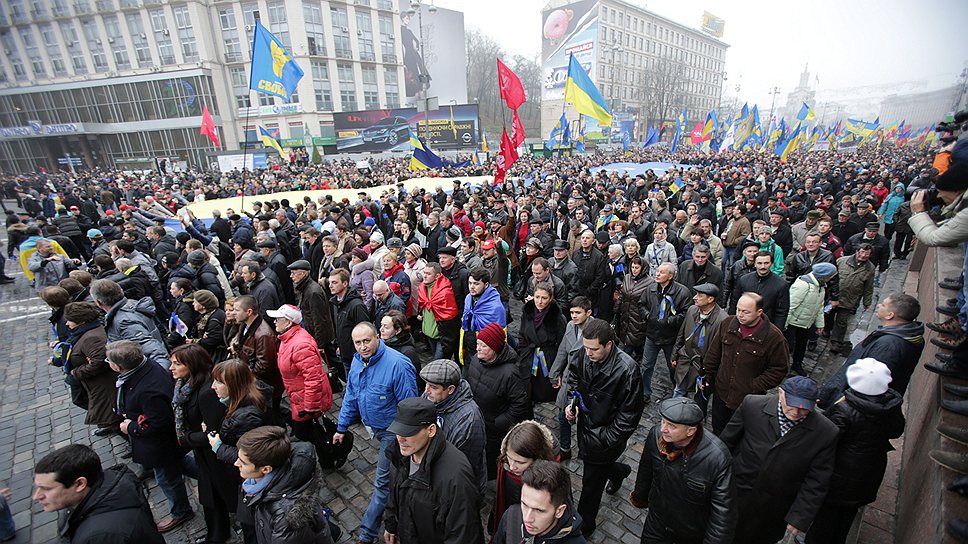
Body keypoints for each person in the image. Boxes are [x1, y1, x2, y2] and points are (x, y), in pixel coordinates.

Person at [720, 377, 839, 544]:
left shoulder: (826, 432)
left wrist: (799, 517)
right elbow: (726, 444)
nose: (796, 413)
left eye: (803, 409)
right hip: (736, 492)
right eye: (793, 405)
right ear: (781, 394)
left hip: (775, 508)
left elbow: (817, 480)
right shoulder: (752, 405)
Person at [334, 322, 417, 544]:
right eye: (358, 343)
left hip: (393, 433)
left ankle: (367, 534)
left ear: (378, 338)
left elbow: (408, 407)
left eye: (367, 341)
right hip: (376, 428)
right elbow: (352, 393)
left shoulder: (398, 365)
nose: (363, 347)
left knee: (382, 483)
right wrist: (341, 427)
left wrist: (404, 441)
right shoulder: (357, 360)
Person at [808, 359, 905, 544]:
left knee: (824, 522)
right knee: (845, 519)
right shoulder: (890, 404)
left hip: (840, 476)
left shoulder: (845, 410)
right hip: (870, 471)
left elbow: (825, 438)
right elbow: (896, 430)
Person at [565, 319, 644, 538]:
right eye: (586, 347)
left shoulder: (628, 370)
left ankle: (584, 527)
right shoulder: (583, 352)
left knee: (591, 486)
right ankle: (619, 471)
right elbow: (573, 379)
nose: (588, 352)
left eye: (593, 349)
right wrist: (572, 405)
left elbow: (629, 417)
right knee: (598, 472)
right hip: (586, 429)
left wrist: (604, 438)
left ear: (608, 345)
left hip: (604, 440)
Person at [107, 340, 194, 533]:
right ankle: (212, 476)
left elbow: (159, 423)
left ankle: (181, 511)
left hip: (161, 445)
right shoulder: (143, 370)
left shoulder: (148, 389)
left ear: (118, 366)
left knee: (167, 479)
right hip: (164, 445)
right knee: (181, 465)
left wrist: (130, 428)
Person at [629, 398, 735, 544]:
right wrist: (640, 496)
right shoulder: (656, 435)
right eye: (662, 421)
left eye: (671, 426)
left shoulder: (717, 458)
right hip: (657, 521)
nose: (663, 429)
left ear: (690, 431)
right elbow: (646, 470)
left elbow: (722, 515)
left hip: (691, 533)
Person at [384, 397, 484, 544]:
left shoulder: (456, 477)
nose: (400, 439)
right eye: (398, 430)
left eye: (409, 432)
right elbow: (394, 493)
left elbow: (462, 535)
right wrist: (391, 523)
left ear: (431, 430)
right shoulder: (401, 452)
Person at [168, 344, 239, 544]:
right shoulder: (185, 385)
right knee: (211, 495)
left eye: (177, 364)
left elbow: (215, 431)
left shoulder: (207, 391)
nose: (171, 368)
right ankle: (217, 533)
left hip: (215, 455)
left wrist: (186, 438)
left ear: (192, 365)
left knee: (221, 492)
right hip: (204, 453)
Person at [33, 444, 165, 544]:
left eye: (46, 489)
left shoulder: (101, 536)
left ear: (80, 484)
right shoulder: (109, 483)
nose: (36, 496)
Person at [704, 293, 790, 435]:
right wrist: (708, 377)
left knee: (737, 434)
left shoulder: (774, 337)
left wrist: (754, 386)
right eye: (738, 310)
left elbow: (779, 369)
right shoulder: (727, 324)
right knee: (718, 429)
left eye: (746, 312)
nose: (740, 315)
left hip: (747, 399)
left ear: (759, 312)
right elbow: (714, 353)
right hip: (721, 393)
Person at [818, 293, 925, 406]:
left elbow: (867, 383)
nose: (878, 305)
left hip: (850, 405)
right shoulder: (906, 334)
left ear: (890, 315)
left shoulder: (888, 346)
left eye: (883, 305)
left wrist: (839, 404)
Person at [235, 426, 335, 544]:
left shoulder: (285, 517)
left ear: (266, 469)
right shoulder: (261, 479)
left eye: (243, 463)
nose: (236, 463)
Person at [465, 322, 530, 480]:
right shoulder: (476, 359)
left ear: (495, 348)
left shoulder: (511, 373)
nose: (478, 348)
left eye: (483, 345)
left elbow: (520, 405)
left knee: (490, 463)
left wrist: (498, 423)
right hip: (476, 421)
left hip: (494, 430)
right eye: (478, 343)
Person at [420, 359, 487, 494]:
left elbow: (464, 466)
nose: (426, 390)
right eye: (426, 384)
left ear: (450, 389)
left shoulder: (469, 420)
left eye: (433, 387)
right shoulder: (432, 397)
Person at [266, 304, 332, 441]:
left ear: (289, 322)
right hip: (299, 397)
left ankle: (327, 455)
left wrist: (310, 406)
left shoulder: (301, 345)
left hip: (305, 402)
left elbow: (313, 378)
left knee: (308, 435)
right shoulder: (288, 338)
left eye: (278, 319)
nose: (274, 322)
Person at [62, 301, 123, 434]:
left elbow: (99, 363)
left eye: (70, 320)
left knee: (112, 418)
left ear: (81, 321)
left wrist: (76, 371)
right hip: (96, 384)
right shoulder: (85, 332)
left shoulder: (91, 338)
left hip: (103, 384)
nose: (67, 324)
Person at [492, 460, 587, 544]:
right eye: (524, 504)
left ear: (559, 511)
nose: (527, 519)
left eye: (539, 510)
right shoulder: (512, 515)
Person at [490, 420, 558, 534]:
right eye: (509, 458)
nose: (512, 466)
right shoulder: (505, 463)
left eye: (520, 462)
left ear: (537, 459)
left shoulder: (551, 480)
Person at [638, 262, 693, 403]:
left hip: (671, 337)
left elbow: (686, 313)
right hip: (652, 334)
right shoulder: (650, 288)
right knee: (646, 366)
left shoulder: (683, 292)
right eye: (657, 271)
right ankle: (644, 394)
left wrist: (669, 321)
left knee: (673, 367)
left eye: (661, 272)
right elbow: (641, 304)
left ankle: (678, 394)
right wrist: (647, 316)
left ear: (670, 276)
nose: (657, 274)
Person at [670, 283, 728, 408]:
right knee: (678, 391)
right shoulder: (692, 309)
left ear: (710, 299)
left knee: (699, 402)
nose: (695, 298)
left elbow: (721, 352)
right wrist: (675, 355)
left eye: (699, 295)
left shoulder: (723, 320)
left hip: (703, 369)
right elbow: (682, 334)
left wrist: (710, 374)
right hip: (685, 361)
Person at [90, 279, 170, 368]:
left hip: (147, 371)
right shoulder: (131, 306)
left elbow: (153, 351)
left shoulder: (124, 321)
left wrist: (160, 376)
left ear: (98, 302)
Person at [229, 295, 284, 417]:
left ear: (249, 312)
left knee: (271, 413)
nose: (233, 313)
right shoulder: (244, 325)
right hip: (254, 382)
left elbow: (264, 365)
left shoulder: (263, 335)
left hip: (264, 385)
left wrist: (243, 373)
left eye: (237, 310)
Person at [519, 281, 567, 404]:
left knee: (543, 392)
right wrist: (522, 353)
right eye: (537, 297)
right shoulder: (527, 311)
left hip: (547, 358)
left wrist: (558, 371)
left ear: (550, 299)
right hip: (528, 355)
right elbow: (522, 334)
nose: (540, 301)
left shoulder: (557, 317)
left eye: (544, 298)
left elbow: (562, 345)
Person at [786, 263, 838, 375]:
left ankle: (797, 364)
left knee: (801, 345)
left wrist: (820, 324)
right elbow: (791, 306)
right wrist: (784, 325)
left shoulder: (821, 286)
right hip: (793, 322)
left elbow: (819, 307)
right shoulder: (803, 285)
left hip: (806, 323)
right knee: (788, 346)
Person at [829, 243, 876, 355]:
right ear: (857, 251)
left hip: (850, 298)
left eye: (867, 254)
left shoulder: (870, 269)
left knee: (842, 321)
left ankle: (836, 341)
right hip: (834, 295)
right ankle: (826, 330)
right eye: (861, 252)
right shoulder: (842, 261)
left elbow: (868, 287)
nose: (863, 255)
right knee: (829, 315)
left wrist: (867, 302)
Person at [288, 259, 336, 359]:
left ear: (302, 274)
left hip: (321, 340)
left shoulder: (313, 292)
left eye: (293, 273)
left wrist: (320, 345)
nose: (291, 276)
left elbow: (319, 320)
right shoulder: (304, 288)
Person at [729, 250, 790, 328]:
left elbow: (782, 311)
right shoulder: (744, 280)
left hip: (766, 326)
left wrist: (777, 331)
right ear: (754, 264)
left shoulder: (781, 285)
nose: (763, 267)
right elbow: (734, 301)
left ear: (771, 264)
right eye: (759, 263)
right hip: (743, 323)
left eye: (766, 263)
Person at [329, 268, 370, 380]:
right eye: (330, 282)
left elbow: (365, 331)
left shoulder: (357, 306)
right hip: (344, 354)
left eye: (334, 282)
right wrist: (339, 345)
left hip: (356, 357)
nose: (330, 286)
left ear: (345, 283)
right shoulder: (336, 303)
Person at [417, 262, 460, 360]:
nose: (425, 276)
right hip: (428, 333)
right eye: (424, 272)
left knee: (439, 361)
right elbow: (422, 304)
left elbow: (449, 313)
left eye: (428, 274)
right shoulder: (422, 288)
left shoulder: (444, 291)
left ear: (437, 276)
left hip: (442, 336)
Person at [190, 289, 227, 361]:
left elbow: (212, 341)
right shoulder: (205, 316)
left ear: (203, 305)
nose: (193, 304)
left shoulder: (214, 320)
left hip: (217, 355)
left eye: (195, 302)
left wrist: (195, 341)